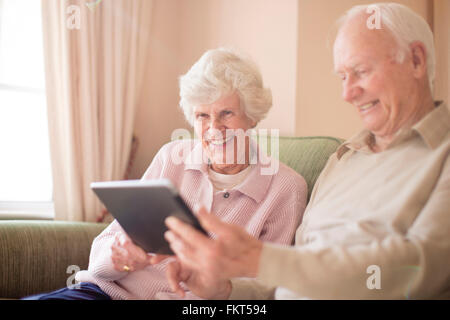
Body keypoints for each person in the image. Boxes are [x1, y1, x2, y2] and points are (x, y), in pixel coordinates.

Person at [162, 3, 450, 300]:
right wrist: (224, 290)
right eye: (342, 77)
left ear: (416, 60)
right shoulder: (343, 159)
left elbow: (420, 265)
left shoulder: (442, 156)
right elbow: (288, 275)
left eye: (361, 72)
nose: (347, 94)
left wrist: (262, 259)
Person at [23, 48, 307, 300]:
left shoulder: (285, 188)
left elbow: (266, 288)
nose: (214, 129)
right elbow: (103, 251)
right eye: (202, 116)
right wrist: (121, 257)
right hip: (105, 293)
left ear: (253, 115)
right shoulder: (172, 156)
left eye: (226, 113)